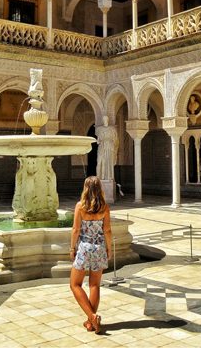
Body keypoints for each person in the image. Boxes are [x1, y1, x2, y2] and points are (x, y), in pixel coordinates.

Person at [69, 176, 112, 334]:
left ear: (85, 189)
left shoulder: (80, 206)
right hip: (99, 247)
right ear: (99, 188)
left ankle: (92, 318)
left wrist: (72, 248)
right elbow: (107, 230)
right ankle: (91, 320)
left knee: (74, 284)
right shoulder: (104, 207)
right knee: (94, 285)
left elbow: (76, 230)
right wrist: (109, 249)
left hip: (84, 249)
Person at [95, 115, 118, 181]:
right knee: (100, 162)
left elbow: (115, 140)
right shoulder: (99, 129)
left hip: (109, 147)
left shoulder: (112, 129)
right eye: (104, 119)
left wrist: (111, 143)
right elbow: (98, 140)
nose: (105, 120)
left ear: (108, 119)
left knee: (108, 161)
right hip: (102, 147)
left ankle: (108, 176)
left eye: (106, 119)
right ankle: (99, 177)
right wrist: (99, 141)